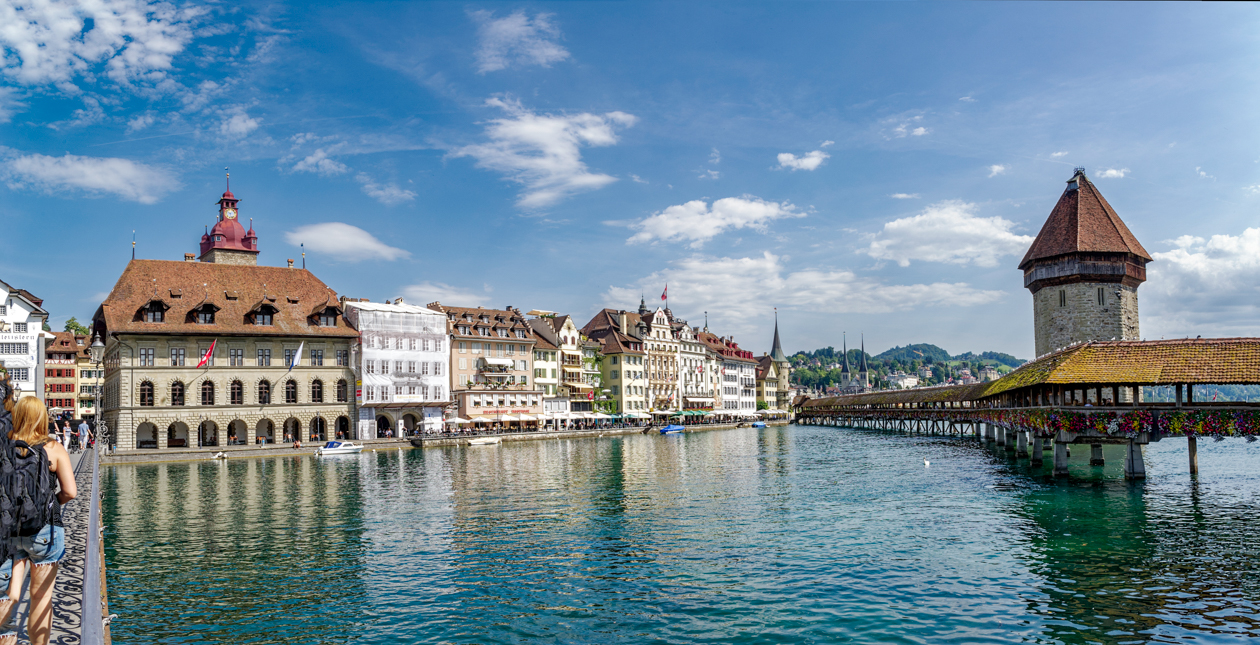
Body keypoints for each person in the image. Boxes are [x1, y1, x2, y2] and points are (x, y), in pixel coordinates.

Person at [0, 397, 77, 645]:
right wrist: (50, 504)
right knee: (41, 598)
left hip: (8, 532)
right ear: (42, 418)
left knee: (8, 597)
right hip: (45, 531)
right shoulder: (53, 448)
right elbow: (70, 492)